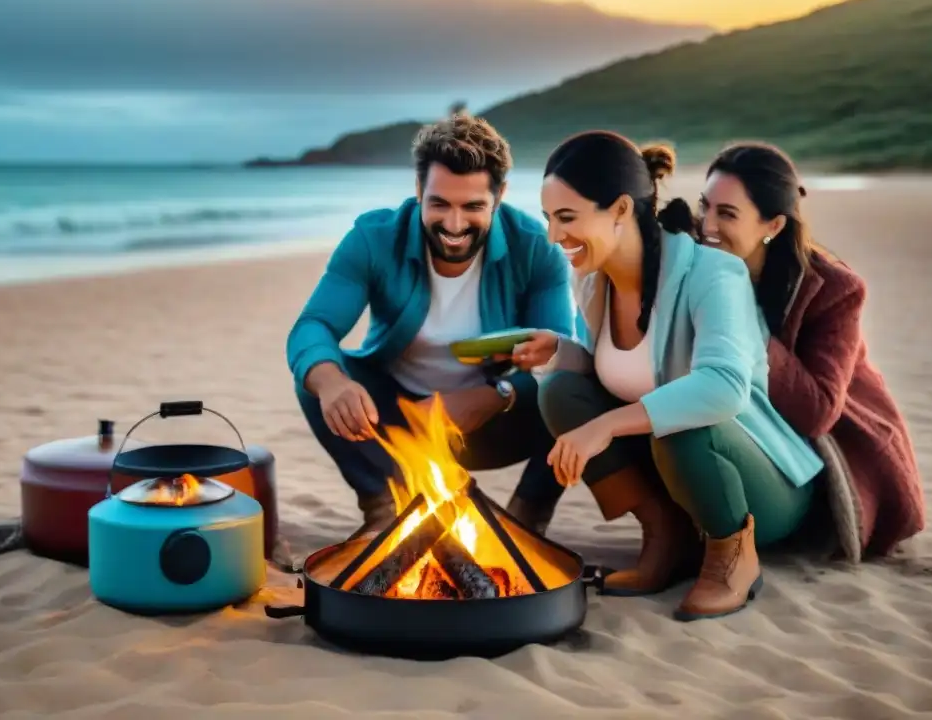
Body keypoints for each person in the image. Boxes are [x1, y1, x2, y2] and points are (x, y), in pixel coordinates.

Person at [509, 130, 825, 621]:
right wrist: (560, 353)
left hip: (761, 484)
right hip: (679, 471)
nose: (554, 236)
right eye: (549, 218)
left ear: (618, 210)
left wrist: (606, 427)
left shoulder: (714, 273)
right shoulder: (592, 279)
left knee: (680, 425)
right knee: (560, 392)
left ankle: (732, 557)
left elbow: (723, 389)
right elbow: (617, 374)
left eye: (567, 218)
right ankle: (666, 534)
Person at [286, 113, 573, 539]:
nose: (454, 226)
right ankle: (382, 506)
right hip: (397, 418)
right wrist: (330, 383)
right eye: (439, 204)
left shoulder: (535, 246)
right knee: (320, 374)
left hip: (489, 422)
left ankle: (526, 519)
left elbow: (559, 358)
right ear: (419, 190)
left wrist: (496, 395)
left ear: (500, 196)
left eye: (473, 206)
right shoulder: (374, 238)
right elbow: (313, 326)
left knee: (574, 393)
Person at [696, 142, 926, 561]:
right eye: (704, 206)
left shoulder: (834, 290)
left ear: (773, 226)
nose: (707, 225)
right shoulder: (694, 261)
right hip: (739, 440)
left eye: (726, 214)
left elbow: (817, 413)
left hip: (814, 466)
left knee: (690, 420)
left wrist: (739, 315)